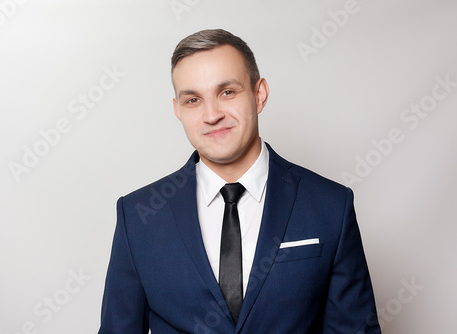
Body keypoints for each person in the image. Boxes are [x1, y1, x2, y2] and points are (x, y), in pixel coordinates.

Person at [98, 29, 381, 333]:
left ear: (259, 95)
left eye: (227, 92)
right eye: (193, 99)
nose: (211, 114)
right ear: (178, 110)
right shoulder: (138, 216)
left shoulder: (330, 206)